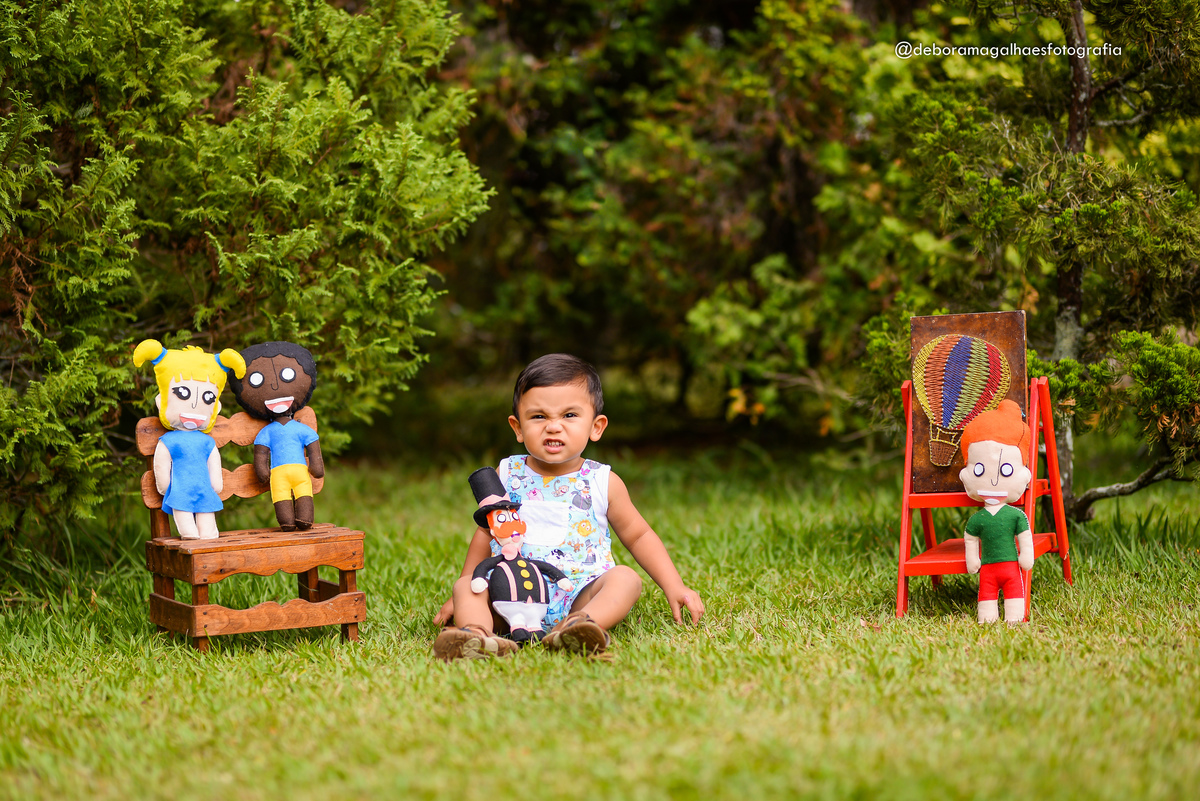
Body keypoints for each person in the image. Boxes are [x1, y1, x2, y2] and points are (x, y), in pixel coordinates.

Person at [433, 353, 705, 659]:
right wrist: (469, 588)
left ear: (596, 426)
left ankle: (579, 627)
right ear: (518, 427)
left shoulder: (603, 482)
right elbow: (486, 533)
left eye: (569, 416)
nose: (553, 427)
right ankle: (478, 635)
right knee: (466, 585)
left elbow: (639, 535)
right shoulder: (507, 474)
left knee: (626, 579)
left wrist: (675, 585)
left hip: (578, 594)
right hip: (508, 595)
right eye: (538, 417)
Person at [133, 339, 247, 539]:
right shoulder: (169, 441)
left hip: (204, 489)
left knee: (207, 522)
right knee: (184, 517)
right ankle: (189, 534)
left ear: (216, 407)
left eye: (208, 399)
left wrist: (216, 482)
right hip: (180, 490)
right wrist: (165, 485)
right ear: (162, 402)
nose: (195, 405)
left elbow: (213, 461)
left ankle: (208, 534)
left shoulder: (206, 442)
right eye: (182, 394)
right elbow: (162, 464)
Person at [229, 341, 324, 531]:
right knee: (280, 494)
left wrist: (316, 466)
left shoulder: (298, 429)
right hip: (279, 474)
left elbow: (313, 445)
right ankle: (287, 522)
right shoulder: (267, 432)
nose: (274, 386)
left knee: (301, 491)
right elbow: (261, 454)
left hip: (295, 472)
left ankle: (304, 519)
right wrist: (262, 471)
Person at [958, 399, 1035, 624]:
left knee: (1014, 594)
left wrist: (1026, 555)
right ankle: (988, 618)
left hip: (1010, 566)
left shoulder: (1015, 515)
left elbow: (1025, 536)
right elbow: (971, 537)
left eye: (1006, 469)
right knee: (987, 593)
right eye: (979, 469)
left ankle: (1014, 617)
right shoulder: (977, 519)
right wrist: (972, 558)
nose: (992, 479)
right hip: (988, 569)